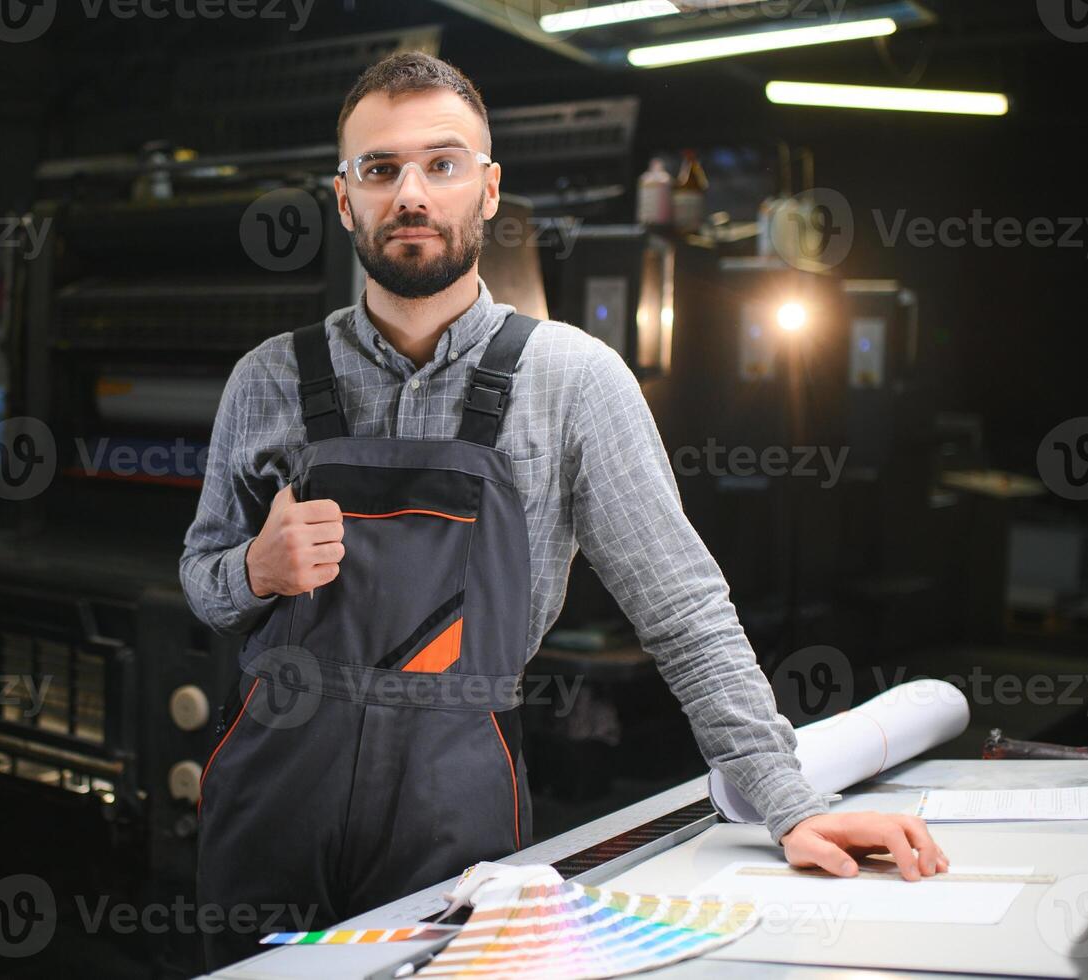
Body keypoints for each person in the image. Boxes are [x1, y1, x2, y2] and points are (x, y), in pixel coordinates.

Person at [180, 51, 947, 969]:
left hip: (448, 794)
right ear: (344, 198)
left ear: (489, 188)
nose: (411, 193)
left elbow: (684, 609)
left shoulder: (572, 382)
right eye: (379, 169)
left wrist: (789, 803)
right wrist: (252, 572)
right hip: (273, 780)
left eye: (443, 162)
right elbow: (204, 581)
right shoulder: (265, 378)